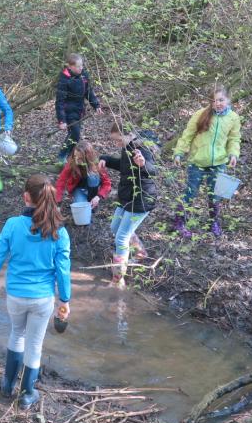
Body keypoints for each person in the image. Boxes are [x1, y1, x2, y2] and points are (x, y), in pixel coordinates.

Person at [0, 174, 71, 409]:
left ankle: (8, 384)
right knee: (35, 344)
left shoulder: (12, 225)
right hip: (42, 299)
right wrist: (65, 299)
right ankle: (27, 394)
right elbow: (63, 269)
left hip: (16, 296)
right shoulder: (59, 231)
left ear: (26, 197)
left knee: (17, 335)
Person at [173, 84, 241, 238]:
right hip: (197, 161)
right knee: (190, 193)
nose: (218, 103)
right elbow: (188, 135)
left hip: (218, 163)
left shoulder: (233, 118)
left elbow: (234, 139)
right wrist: (179, 152)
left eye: (221, 100)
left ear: (228, 100)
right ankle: (179, 222)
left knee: (215, 195)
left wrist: (233, 154)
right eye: (214, 100)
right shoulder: (200, 114)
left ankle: (213, 222)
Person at [99, 125, 159, 287]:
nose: (117, 143)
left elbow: (153, 170)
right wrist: (105, 158)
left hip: (141, 199)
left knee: (121, 237)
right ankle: (140, 252)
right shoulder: (126, 147)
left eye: (119, 140)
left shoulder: (141, 148)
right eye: (115, 141)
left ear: (130, 134)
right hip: (127, 196)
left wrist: (143, 164)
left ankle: (118, 280)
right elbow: (123, 166)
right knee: (114, 227)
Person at [56, 53, 103, 163]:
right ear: (70, 66)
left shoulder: (84, 75)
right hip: (68, 112)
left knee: (74, 135)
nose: (81, 68)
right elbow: (60, 102)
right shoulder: (64, 79)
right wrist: (61, 120)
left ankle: (70, 157)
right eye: (78, 66)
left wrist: (96, 105)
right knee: (75, 134)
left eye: (81, 65)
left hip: (79, 111)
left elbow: (88, 92)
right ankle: (62, 156)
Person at [55, 140, 112, 209]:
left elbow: (107, 183)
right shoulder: (72, 163)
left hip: (92, 192)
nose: (76, 159)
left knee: (93, 176)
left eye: (80, 158)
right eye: (75, 156)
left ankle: (91, 201)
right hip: (79, 189)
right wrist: (57, 200)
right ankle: (85, 203)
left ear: (87, 157)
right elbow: (61, 181)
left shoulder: (97, 165)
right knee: (82, 209)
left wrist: (98, 196)